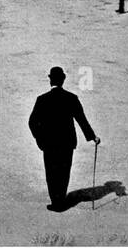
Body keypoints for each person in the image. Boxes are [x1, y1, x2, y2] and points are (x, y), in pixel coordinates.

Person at [28, 66, 100, 212]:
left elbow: (32, 122)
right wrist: (92, 137)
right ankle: (61, 200)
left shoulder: (42, 99)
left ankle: (56, 202)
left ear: (50, 80)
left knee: (51, 172)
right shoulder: (71, 98)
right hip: (67, 143)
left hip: (48, 144)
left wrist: (40, 140)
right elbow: (81, 120)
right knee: (63, 171)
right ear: (63, 80)